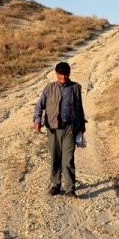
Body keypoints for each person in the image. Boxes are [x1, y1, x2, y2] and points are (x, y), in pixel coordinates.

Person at [33, 62, 86, 197]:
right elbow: (39, 105)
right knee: (55, 158)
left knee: (68, 158)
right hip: (53, 129)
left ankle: (70, 188)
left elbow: (79, 108)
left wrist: (82, 124)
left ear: (70, 73)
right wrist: (37, 120)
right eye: (61, 74)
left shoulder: (76, 88)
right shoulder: (49, 88)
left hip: (69, 128)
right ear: (56, 74)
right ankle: (55, 185)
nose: (64, 77)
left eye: (66, 74)